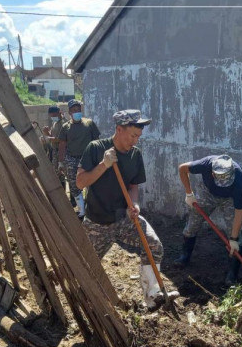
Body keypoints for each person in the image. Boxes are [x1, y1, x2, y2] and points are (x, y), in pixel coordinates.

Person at [76, 109, 178, 309]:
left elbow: (133, 186)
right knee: (84, 264)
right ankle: (85, 302)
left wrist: (135, 205)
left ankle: (153, 296)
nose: (136, 141)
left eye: (138, 136)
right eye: (133, 136)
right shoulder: (96, 148)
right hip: (97, 222)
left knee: (154, 246)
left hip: (124, 219)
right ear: (119, 129)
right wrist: (103, 165)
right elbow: (80, 182)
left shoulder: (135, 154)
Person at [176, 155, 242, 285]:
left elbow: (239, 212)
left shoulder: (239, 181)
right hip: (207, 193)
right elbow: (182, 169)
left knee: (234, 233)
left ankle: (232, 274)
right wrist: (189, 194)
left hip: (229, 199)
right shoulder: (206, 164)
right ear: (213, 173)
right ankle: (184, 257)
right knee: (193, 223)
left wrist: (234, 239)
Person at [59, 99, 100, 219]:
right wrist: (61, 162)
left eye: (78, 109)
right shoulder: (66, 127)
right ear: (69, 112)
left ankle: (91, 209)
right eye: (73, 110)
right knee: (74, 184)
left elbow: (97, 140)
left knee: (91, 183)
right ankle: (82, 211)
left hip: (88, 158)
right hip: (72, 159)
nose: (76, 112)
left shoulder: (89, 123)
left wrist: (97, 157)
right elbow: (62, 145)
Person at [41, 106, 67, 188]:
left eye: (54, 116)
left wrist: (50, 138)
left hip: (62, 151)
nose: (52, 118)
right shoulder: (55, 123)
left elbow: (64, 139)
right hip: (55, 151)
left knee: (62, 172)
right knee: (56, 173)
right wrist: (47, 133)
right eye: (51, 116)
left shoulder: (64, 123)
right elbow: (53, 136)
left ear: (59, 112)